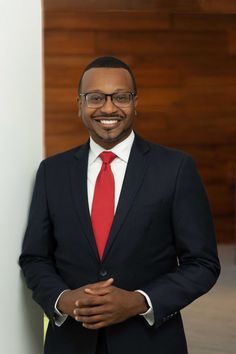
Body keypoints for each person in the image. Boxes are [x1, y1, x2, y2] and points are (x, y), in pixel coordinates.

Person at [19, 56, 220, 354]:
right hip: (71, 344)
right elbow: (35, 258)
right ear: (79, 105)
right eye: (96, 98)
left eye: (121, 97)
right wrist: (62, 299)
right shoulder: (52, 172)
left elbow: (202, 264)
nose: (109, 108)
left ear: (136, 104)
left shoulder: (175, 168)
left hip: (150, 343)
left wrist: (139, 301)